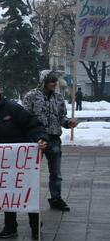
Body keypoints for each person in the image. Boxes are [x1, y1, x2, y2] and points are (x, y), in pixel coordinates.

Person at [0, 80, 48, 240]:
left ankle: (35, 226)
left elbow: (33, 124)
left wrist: (41, 138)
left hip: (22, 161)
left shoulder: (13, 108)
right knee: (7, 193)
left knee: (28, 192)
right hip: (2, 163)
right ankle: (10, 227)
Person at [23, 70, 77, 212]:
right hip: (36, 141)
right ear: (44, 81)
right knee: (32, 172)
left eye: (56, 80)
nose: (55, 83)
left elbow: (61, 117)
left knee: (56, 174)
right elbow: (25, 118)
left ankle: (56, 198)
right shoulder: (31, 96)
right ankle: (30, 199)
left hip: (53, 139)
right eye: (52, 80)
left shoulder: (59, 97)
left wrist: (68, 123)